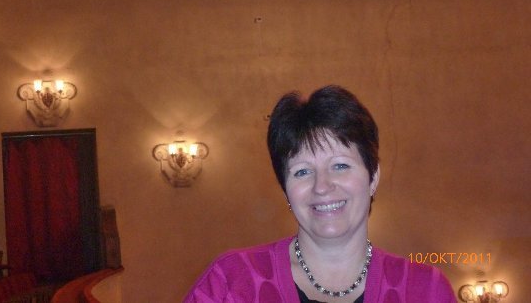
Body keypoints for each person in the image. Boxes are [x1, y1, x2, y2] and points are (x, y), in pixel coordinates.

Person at [184, 85, 457, 303]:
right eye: (302, 171)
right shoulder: (233, 283)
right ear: (286, 189)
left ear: (373, 177)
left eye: (340, 166)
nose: (322, 186)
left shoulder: (425, 290)